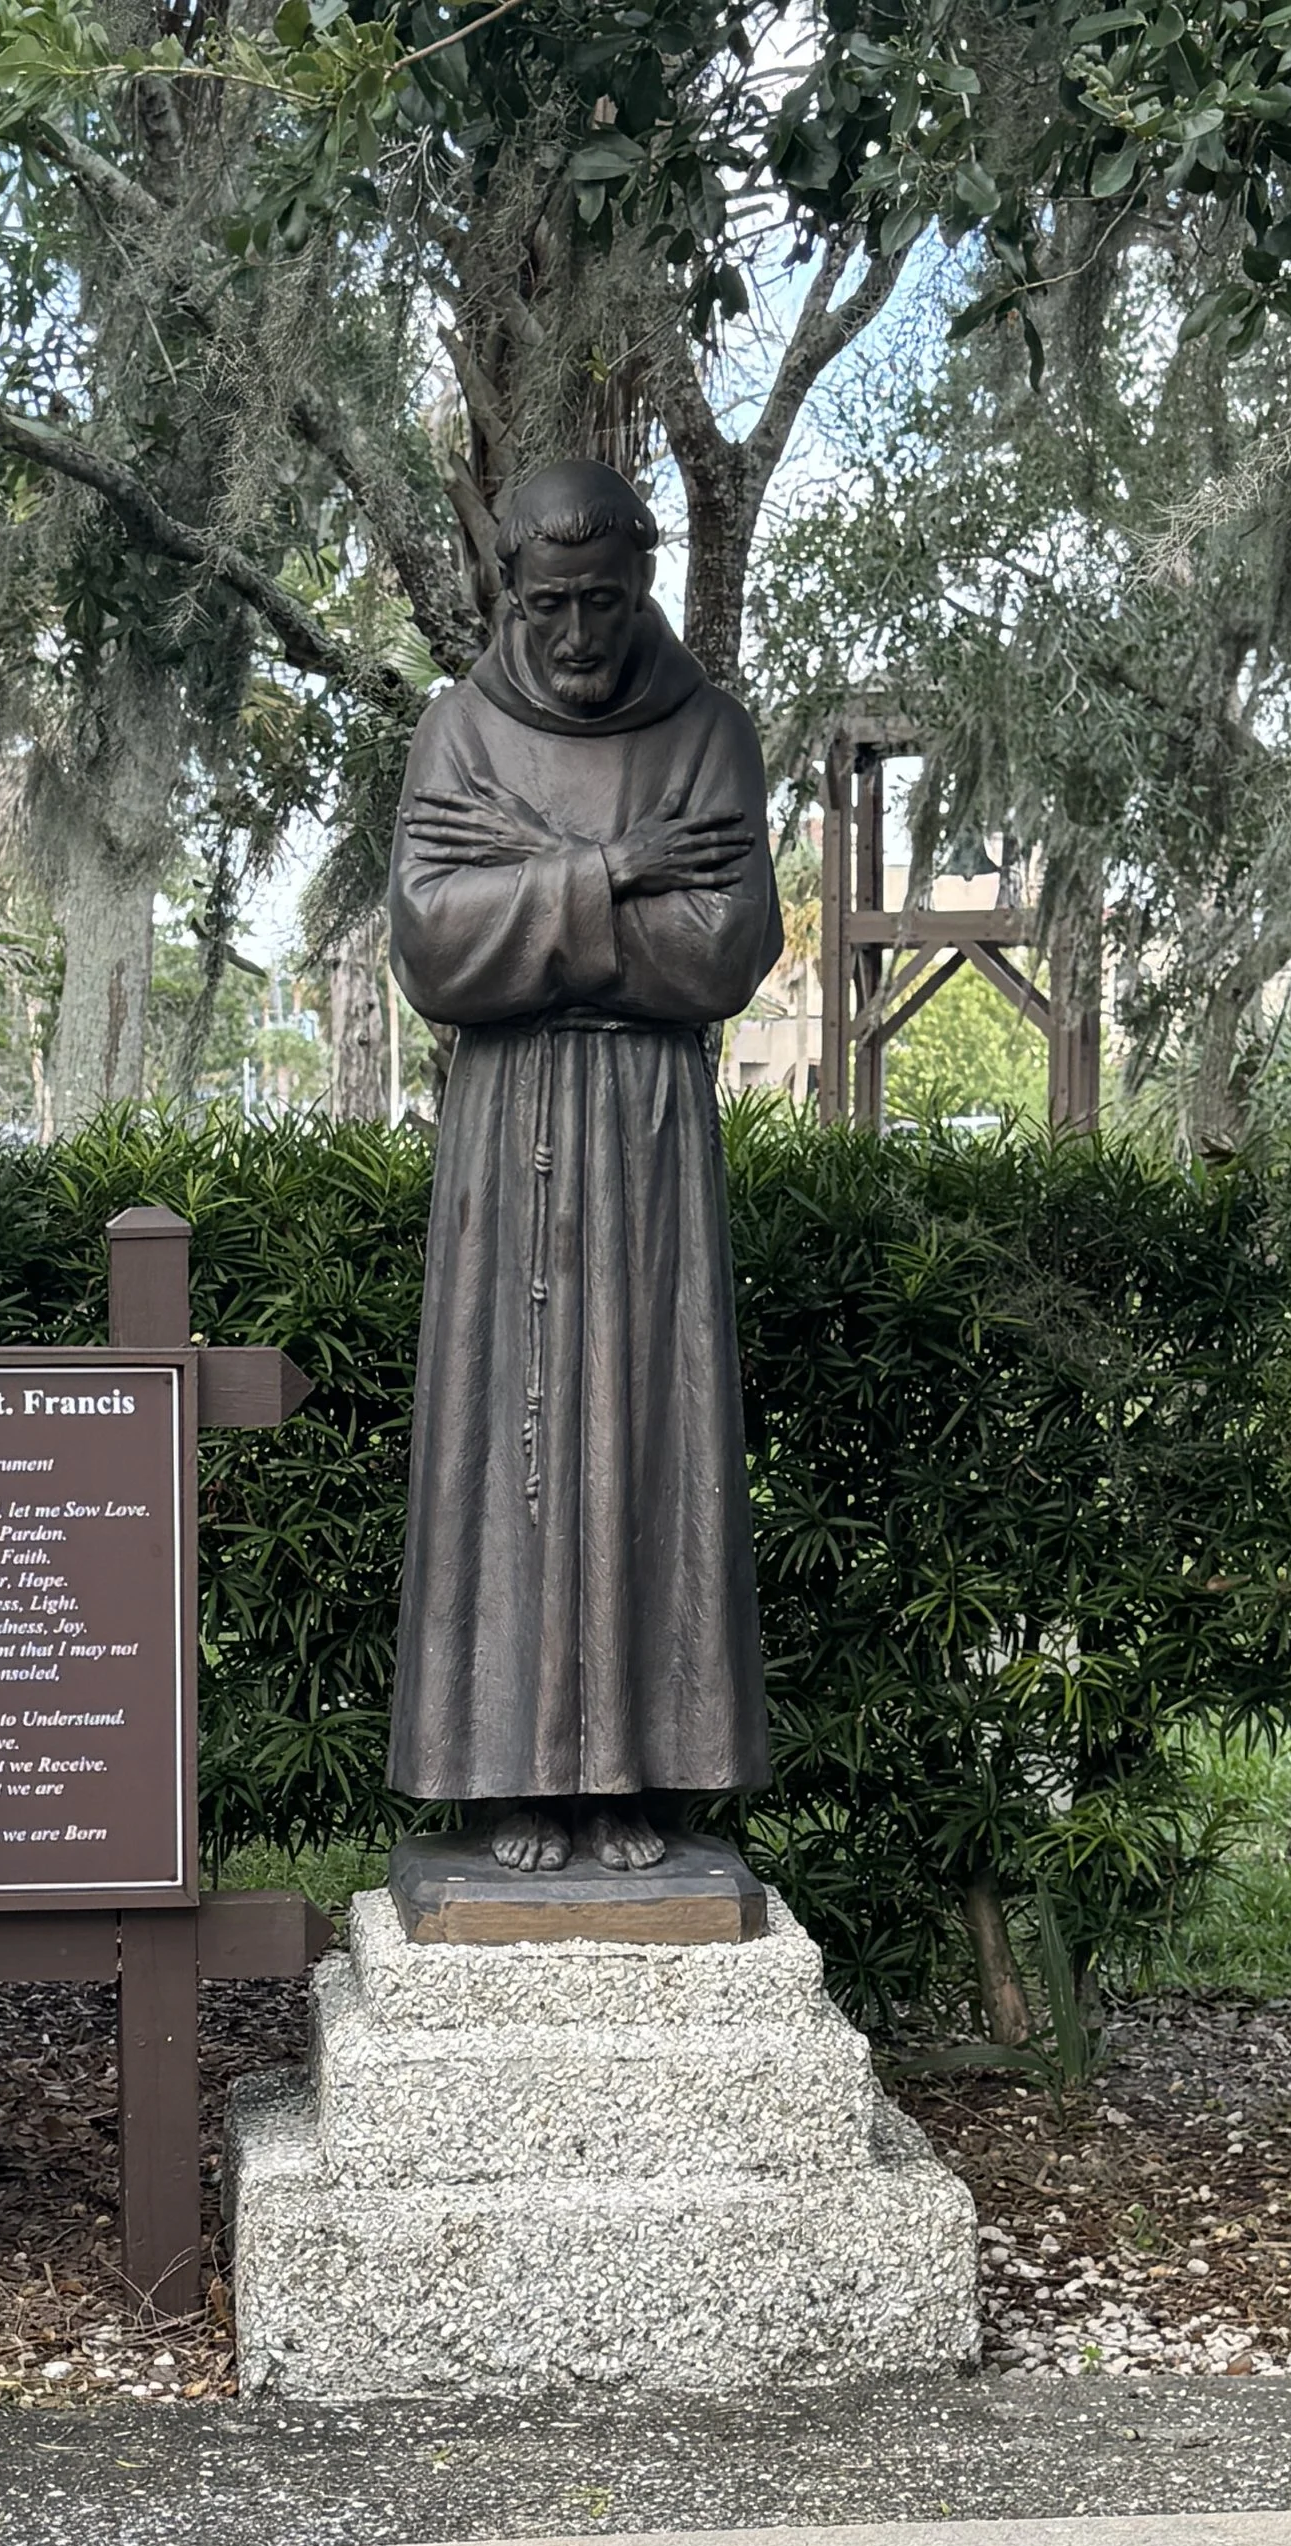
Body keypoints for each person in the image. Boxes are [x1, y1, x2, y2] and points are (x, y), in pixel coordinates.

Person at [386, 460, 781, 1872]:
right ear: (511, 593)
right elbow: (435, 950)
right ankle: (510, 1778)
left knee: (648, 1422)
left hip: (650, 1133)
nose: (574, 634)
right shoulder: (458, 734)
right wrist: (616, 870)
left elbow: (722, 954)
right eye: (549, 605)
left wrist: (533, 884)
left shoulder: (707, 734)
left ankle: (635, 1776)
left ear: (641, 588)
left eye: (601, 604)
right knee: (509, 1435)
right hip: (506, 1135)